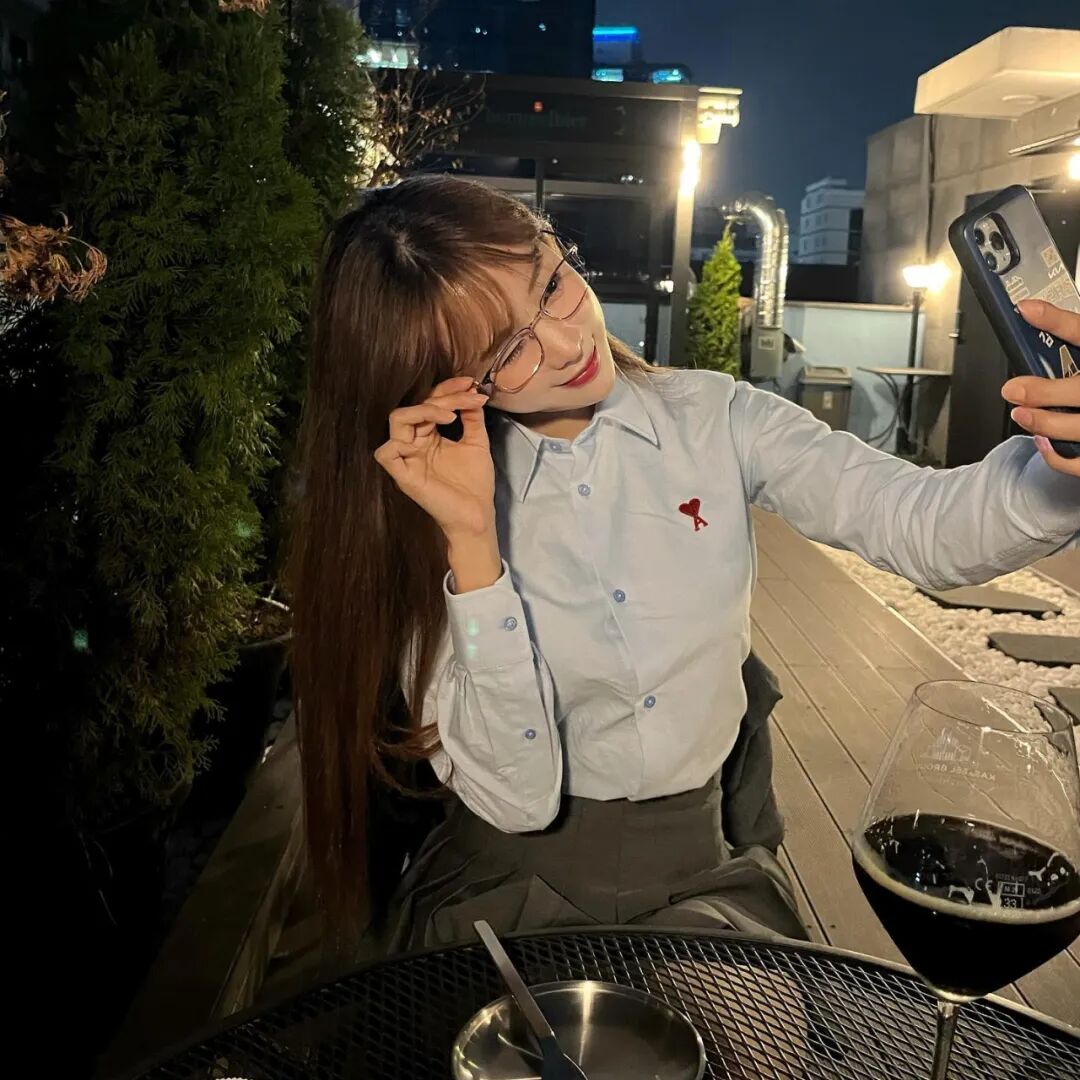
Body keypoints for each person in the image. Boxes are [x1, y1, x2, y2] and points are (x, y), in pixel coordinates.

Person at [284, 174, 1080, 958]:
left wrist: (1066, 463)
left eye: (552, 286)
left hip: (699, 876)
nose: (566, 342)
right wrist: (471, 542)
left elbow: (923, 525)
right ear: (443, 385)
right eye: (507, 350)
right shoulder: (424, 504)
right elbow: (516, 799)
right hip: (503, 890)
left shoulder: (717, 418)